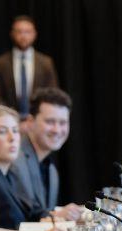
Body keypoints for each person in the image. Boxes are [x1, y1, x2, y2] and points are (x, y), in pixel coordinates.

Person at [11, 88, 85, 218]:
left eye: (63, 123)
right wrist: (57, 214)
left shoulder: (51, 171)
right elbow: (25, 218)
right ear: (30, 122)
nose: (57, 130)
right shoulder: (15, 160)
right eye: (50, 122)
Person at [0, 15, 59, 117]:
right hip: (8, 119)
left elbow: (52, 93)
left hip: (37, 119)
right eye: (19, 31)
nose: (23, 36)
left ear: (34, 34)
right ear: (12, 34)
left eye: (27, 32)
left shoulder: (46, 63)